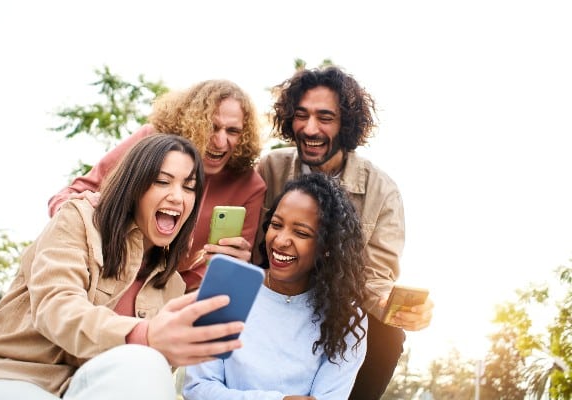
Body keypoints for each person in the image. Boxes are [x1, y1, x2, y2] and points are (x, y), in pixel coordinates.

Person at [0, 134, 245, 400]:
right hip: (14, 374)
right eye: (162, 181)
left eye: (188, 187)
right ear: (134, 186)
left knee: (147, 364)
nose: (177, 196)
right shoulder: (78, 219)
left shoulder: (173, 285)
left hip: (88, 388)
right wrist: (142, 334)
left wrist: (224, 284)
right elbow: (55, 307)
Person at [255, 66, 434, 400]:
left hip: (332, 306)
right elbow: (252, 251)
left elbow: (375, 277)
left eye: (325, 117)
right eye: (301, 115)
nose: (310, 128)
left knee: (387, 334)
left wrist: (392, 306)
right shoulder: (270, 169)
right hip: (274, 298)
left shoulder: (382, 192)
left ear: (346, 125)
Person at [48, 79, 266, 292]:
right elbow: (68, 196)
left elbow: (223, 271)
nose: (220, 142)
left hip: (167, 293)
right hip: (102, 273)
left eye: (233, 131)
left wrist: (233, 267)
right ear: (193, 122)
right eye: (212, 127)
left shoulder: (250, 185)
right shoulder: (151, 142)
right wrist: (81, 223)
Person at [184, 173, 368, 400]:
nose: (280, 241)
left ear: (326, 247)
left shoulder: (346, 317)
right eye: (276, 225)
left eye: (301, 233)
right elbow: (197, 388)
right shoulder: (228, 290)